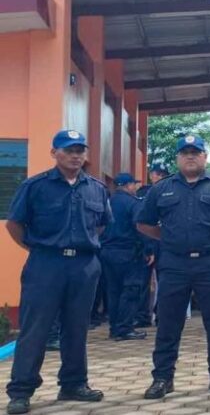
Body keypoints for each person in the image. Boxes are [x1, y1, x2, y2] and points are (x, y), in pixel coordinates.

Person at [5, 130, 111, 414]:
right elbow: (14, 224)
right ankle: (21, 391)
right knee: (35, 329)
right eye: (68, 150)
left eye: (80, 150)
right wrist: (38, 248)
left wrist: (80, 246)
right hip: (46, 265)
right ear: (54, 153)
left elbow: (101, 224)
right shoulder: (35, 186)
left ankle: (73, 384)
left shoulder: (97, 188)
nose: (75, 156)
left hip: (84, 266)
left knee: (77, 327)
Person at [137, 135, 210, 399]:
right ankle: (163, 378)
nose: (190, 156)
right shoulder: (161, 189)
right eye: (185, 152)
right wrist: (170, 238)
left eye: (195, 152)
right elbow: (144, 223)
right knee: (168, 323)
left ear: (205, 156)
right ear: (177, 158)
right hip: (174, 263)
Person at [100, 172, 148, 341]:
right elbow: (140, 227)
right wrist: (148, 249)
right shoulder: (133, 203)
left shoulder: (107, 202)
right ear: (128, 185)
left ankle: (114, 328)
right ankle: (125, 328)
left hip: (106, 251)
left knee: (113, 291)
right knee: (131, 289)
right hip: (128, 251)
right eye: (134, 184)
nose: (135, 187)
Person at [135, 164, 169, 328]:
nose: (160, 177)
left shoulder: (172, 192)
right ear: (151, 175)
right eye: (158, 174)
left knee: (166, 281)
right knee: (142, 282)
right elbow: (142, 222)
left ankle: (161, 314)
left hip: (164, 243)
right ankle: (143, 316)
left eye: (163, 175)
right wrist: (147, 247)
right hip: (147, 242)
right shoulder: (144, 193)